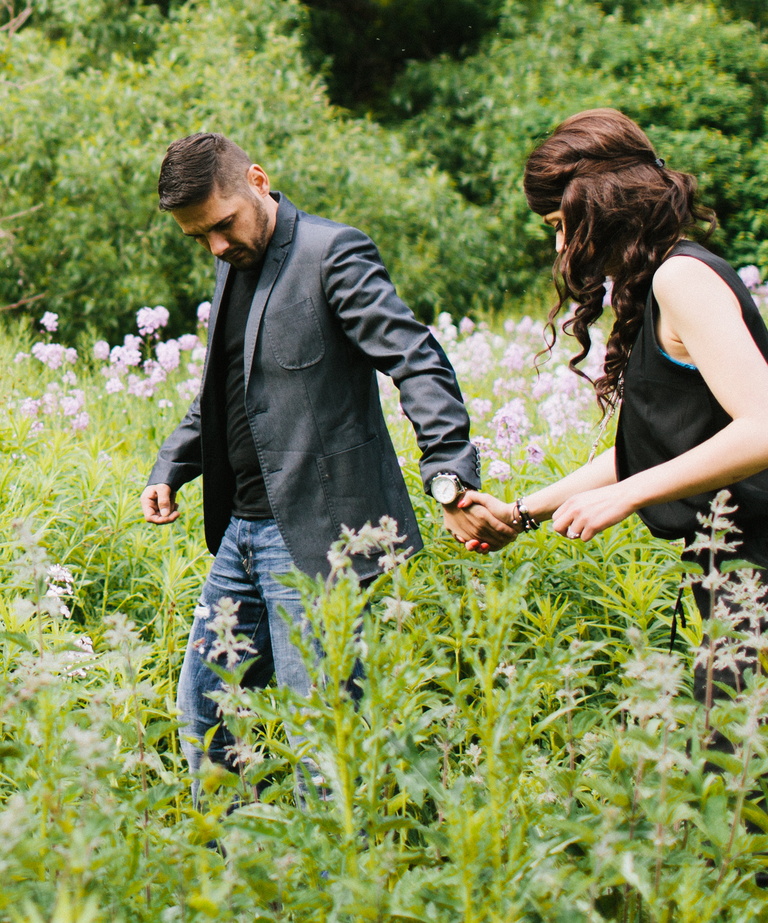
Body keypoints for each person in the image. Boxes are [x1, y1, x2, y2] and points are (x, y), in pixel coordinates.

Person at [141, 132, 521, 778]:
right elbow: (229, 387)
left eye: (222, 225)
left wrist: (448, 472)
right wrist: (174, 462)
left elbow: (417, 360)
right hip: (241, 531)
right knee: (205, 715)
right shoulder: (233, 257)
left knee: (324, 738)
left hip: (322, 536)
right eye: (199, 236)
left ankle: (339, 869)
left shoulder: (331, 254)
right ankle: (230, 865)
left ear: (257, 179)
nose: (216, 246)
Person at [504, 108, 768, 775]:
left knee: (738, 822)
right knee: (729, 820)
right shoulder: (656, 288)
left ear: (602, 204)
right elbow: (647, 452)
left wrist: (626, 499)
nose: (560, 249)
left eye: (560, 225)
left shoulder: (683, 278)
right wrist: (523, 512)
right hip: (743, 584)